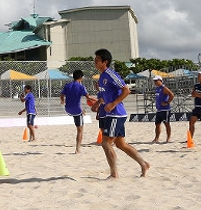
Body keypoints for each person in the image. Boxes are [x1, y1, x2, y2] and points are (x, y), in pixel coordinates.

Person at [94, 48, 149, 178]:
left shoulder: (111, 74)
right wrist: (98, 103)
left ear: (105, 62)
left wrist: (113, 104)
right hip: (112, 114)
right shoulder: (101, 77)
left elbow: (126, 90)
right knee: (120, 144)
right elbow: (105, 95)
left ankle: (114, 174)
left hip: (116, 114)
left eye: (97, 60)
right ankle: (143, 164)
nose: (95, 62)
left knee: (106, 143)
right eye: (95, 60)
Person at [60, 70, 97, 153]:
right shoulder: (81, 87)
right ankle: (77, 149)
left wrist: (62, 101)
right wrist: (99, 101)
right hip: (76, 110)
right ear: (81, 77)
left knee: (79, 110)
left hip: (68, 109)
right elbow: (89, 98)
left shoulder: (67, 85)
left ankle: (82, 111)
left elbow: (62, 95)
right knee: (80, 130)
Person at [152, 75, 175, 143]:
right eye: (154, 81)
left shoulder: (164, 88)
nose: (155, 82)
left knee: (166, 123)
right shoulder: (157, 89)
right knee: (157, 124)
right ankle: (156, 138)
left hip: (165, 109)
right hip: (159, 109)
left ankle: (168, 138)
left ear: (160, 80)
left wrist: (167, 102)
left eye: (156, 81)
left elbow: (172, 95)